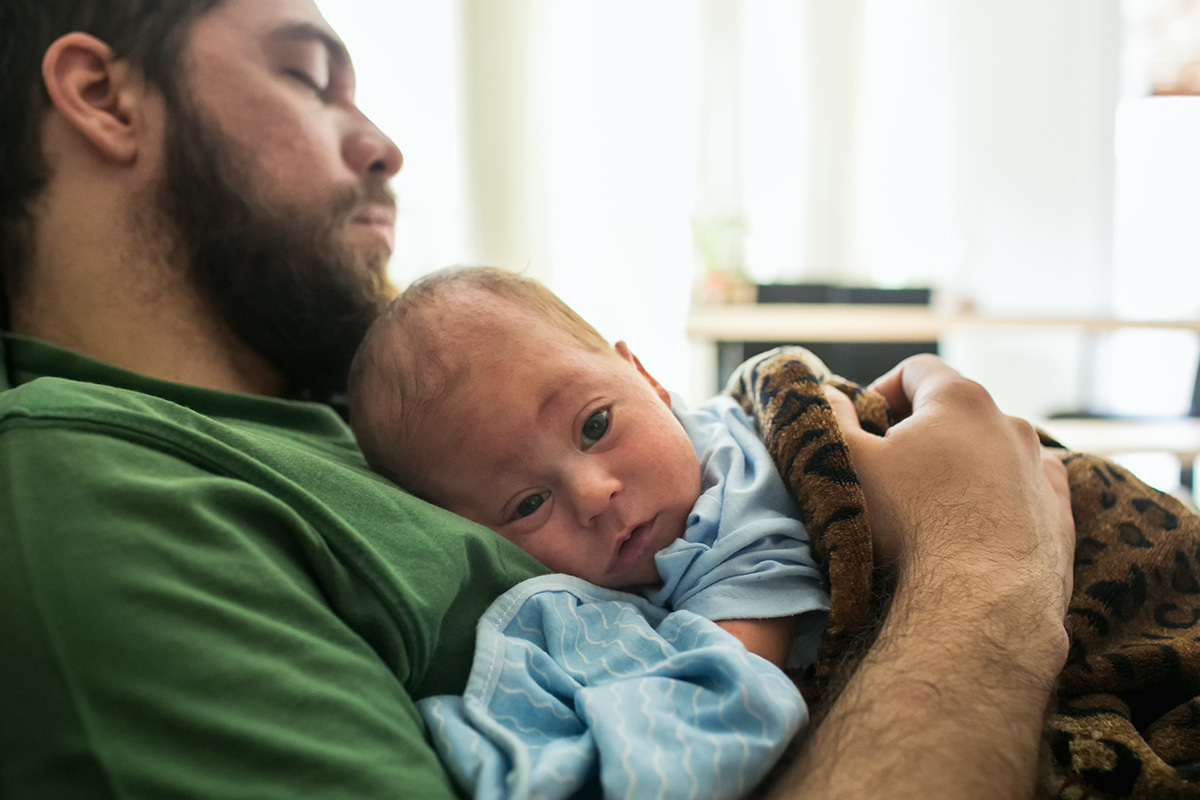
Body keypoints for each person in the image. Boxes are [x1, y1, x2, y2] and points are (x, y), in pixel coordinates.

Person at [0, 1, 1076, 799]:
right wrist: (986, 567)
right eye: (307, 77)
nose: (381, 144)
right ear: (102, 95)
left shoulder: (339, 410)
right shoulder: (89, 502)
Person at [348, 266, 829, 671]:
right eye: (529, 504)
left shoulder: (737, 485)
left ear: (646, 377)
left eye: (595, 426)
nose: (592, 494)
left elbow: (734, 684)